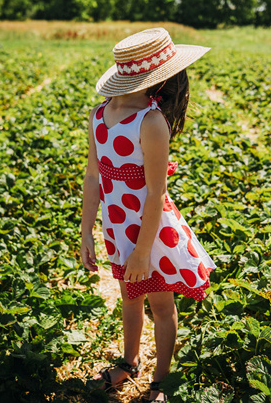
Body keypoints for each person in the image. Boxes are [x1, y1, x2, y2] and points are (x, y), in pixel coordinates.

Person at [80, 27, 217, 402]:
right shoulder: (99, 115)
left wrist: (142, 251)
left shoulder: (151, 122)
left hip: (150, 231)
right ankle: (130, 361)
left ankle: (160, 380)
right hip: (119, 227)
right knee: (128, 296)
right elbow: (93, 175)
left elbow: (156, 194)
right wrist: (86, 231)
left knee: (160, 303)